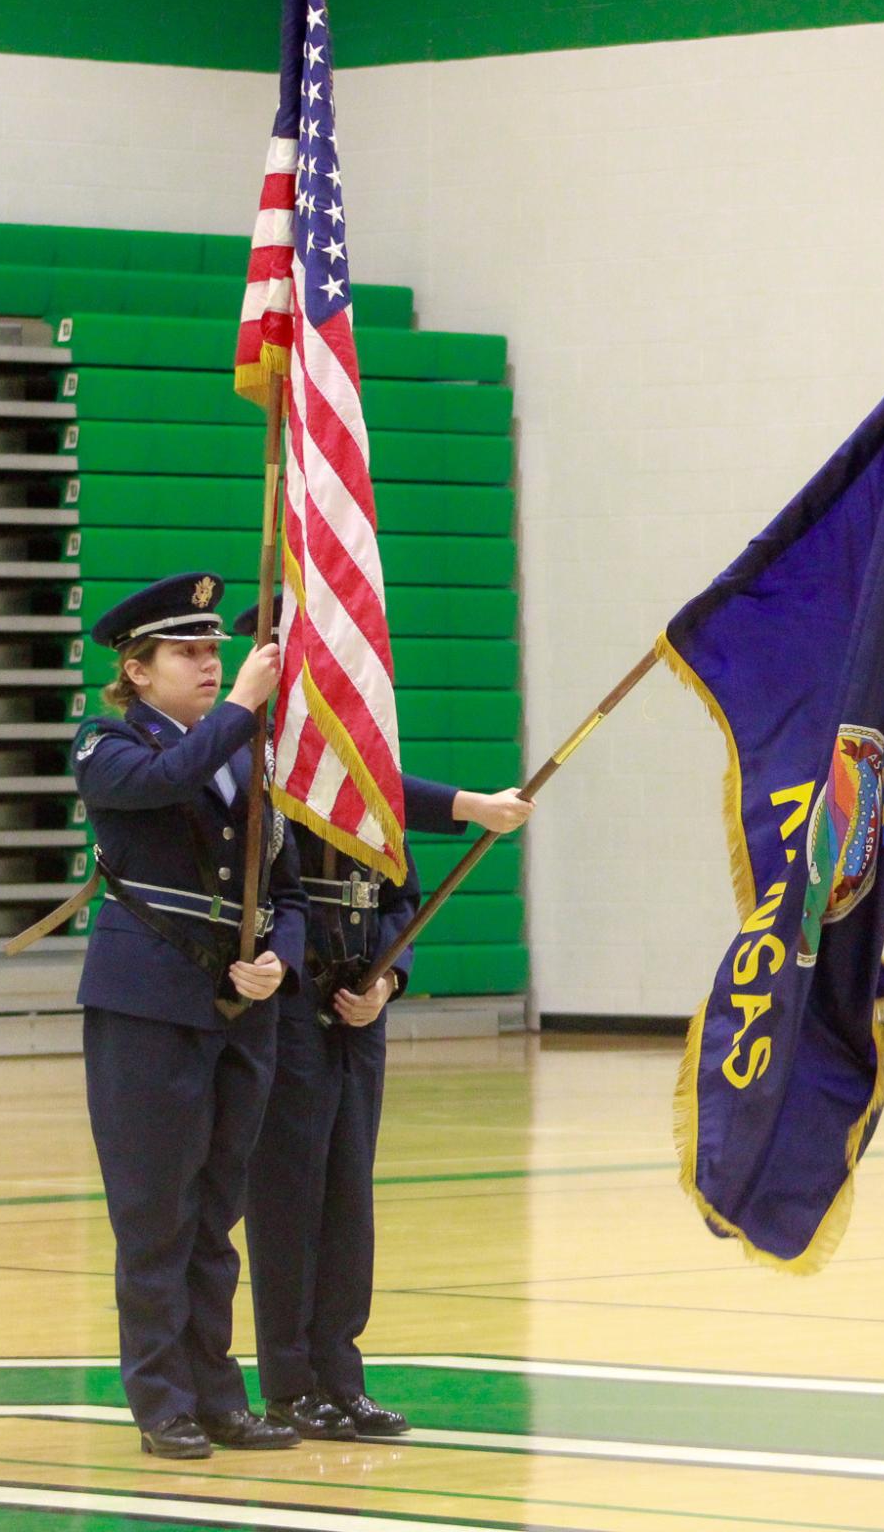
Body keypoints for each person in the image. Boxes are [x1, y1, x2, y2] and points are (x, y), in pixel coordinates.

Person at [236, 598, 535, 1440]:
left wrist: (389, 984)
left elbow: (398, 899)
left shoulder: (359, 793)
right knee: (288, 1197)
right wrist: (469, 804)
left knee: (346, 1201)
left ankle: (341, 1375)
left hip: (354, 1015)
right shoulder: (265, 771)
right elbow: (353, 808)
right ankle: (290, 1384)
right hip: (288, 1009)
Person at [73, 572, 307, 1459]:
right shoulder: (106, 745)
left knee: (217, 1216)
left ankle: (218, 1394)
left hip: (239, 1013)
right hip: (148, 1008)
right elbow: (169, 777)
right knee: (155, 1214)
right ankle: (161, 1401)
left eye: (216, 651)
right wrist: (244, 709)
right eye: (188, 653)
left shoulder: (245, 754)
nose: (212, 665)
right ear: (137, 671)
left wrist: (280, 954)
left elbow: (283, 887)